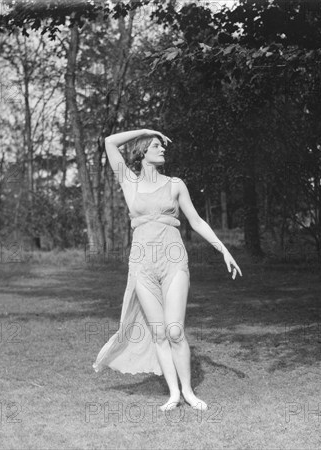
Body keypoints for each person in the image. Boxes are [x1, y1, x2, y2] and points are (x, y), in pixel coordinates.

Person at [92, 129, 242, 411]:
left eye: (162, 145)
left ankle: (188, 391)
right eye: (156, 145)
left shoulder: (175, 184)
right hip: (141, 266)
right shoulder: (129, 182)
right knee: (159, 333)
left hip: (173, 262)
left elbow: (196, 221)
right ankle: (173, 394)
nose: (163, 149)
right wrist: (148, 130)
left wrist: (223, 249)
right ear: (142, 152)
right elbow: (110, 142)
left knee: (174, 331)